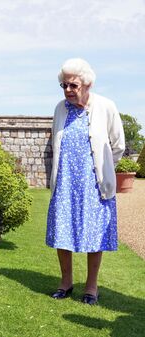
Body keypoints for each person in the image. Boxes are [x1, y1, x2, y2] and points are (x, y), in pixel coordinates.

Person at [46, 58, 125, 305]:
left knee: (94, 236)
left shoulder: (106, 106)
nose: (68, 90)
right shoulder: (60, 109)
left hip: (94, 185)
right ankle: (66, 282)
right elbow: (55, 144)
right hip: (66, 183)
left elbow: (118, 145)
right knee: (62, 232)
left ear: (87, 83)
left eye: (73, 85)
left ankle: (91, 286)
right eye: (64, 85)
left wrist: (103, 171)